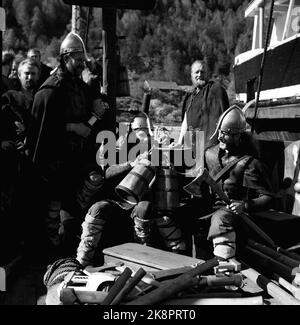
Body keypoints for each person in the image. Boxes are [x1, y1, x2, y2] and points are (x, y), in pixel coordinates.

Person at [30, 32, 109, 259]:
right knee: (52, 214)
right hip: (54, 163)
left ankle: (68, 253)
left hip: (75, 161)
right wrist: (72, 127)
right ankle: (49, 258)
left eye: (83, 60)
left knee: (76, 209)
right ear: (65, 58)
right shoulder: (50, 91)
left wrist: (95, 100)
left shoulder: (78, 87)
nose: (82, 64)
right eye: (78, 59)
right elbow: (44, 131)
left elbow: (92, 113)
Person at [192, 105, 274, 261]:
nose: (221, 137)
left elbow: (268, 197)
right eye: (221, 132)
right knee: (178, 212)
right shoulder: (209, 154)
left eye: (227, 134)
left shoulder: (249, 163)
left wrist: (245, 205)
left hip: (235, 213)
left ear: (238, 136)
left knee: (221, 218)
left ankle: (226, 271)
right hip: (209, 207)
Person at [0, 58, 41, 262]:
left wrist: (30, 137)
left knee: (34, 206)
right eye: (26, 73)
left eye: (33, 73)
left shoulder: (43, 97)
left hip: (37, 159)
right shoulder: (10, 97)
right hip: (13, 162)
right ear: (18, 74)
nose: (29, 77)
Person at [176, 59, 229, 150]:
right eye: (197, 72)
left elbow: (225, 117)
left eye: (202, 72)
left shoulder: (216, 90)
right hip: (190, 144)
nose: (200, 75)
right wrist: (179, 142)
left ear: (207, 74)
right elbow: (185, 121)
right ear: (191, 75)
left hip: (209, 147)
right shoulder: (189, 97)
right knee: (173, 160)